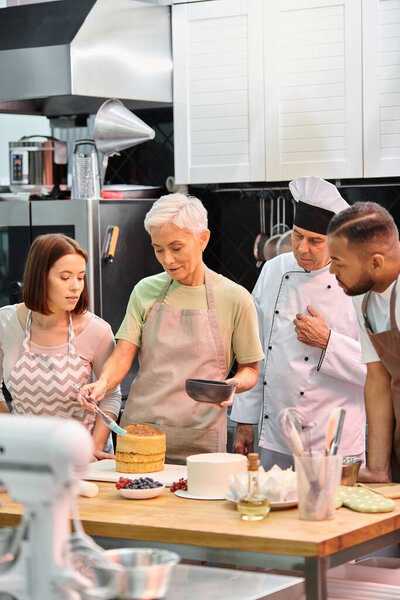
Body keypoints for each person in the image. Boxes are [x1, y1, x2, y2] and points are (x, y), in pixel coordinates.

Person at [81, 193, 264, 464]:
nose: (167, 260)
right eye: (158, 249)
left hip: (200, 439)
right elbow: (122, 355)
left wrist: (235, 384)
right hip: (140, 434)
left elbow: (250, 369)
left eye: (176, 248)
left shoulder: (236, 298)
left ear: (203, 239)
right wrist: (102, 383)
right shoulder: (145, 291)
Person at [231, 176, 366, 470]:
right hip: (276, 434)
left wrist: (328, 341)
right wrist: (244, 419)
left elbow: (377, 371)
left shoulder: (361, 280)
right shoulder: (273, 270)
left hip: (333, 439)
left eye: (315, 241)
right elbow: (252, 351)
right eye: (296, 235)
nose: (302, 248)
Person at [0, 234, 121, 461]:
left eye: (80, 277)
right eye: (65, 278)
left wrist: (93, 448)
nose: (76, 287)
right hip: (26, 457)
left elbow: (112, 395)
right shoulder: (5, 323)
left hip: (81, 459)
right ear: (40, 278)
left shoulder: (97, 331)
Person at [328, 201, 400, 483]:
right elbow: (378, 378)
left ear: (376, 262)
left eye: (339, 263)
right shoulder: (364, 297)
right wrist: (378, 469)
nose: (332, 272)